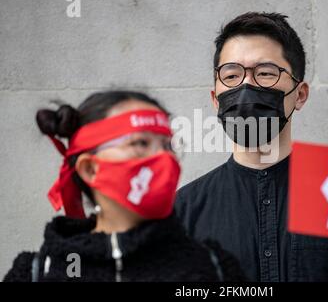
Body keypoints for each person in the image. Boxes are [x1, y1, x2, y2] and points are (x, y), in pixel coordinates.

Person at [175, 12, 328, 281]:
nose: (246, 85)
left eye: (265, 73)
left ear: (300, 95)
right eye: (231, 75)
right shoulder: (184, 211)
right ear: (215, 98)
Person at [4, 91, 245, 282]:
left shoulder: (215, 268)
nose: (163, 158)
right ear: (90, 169)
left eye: (167, 145)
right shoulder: (36, 273)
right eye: (140, 142)